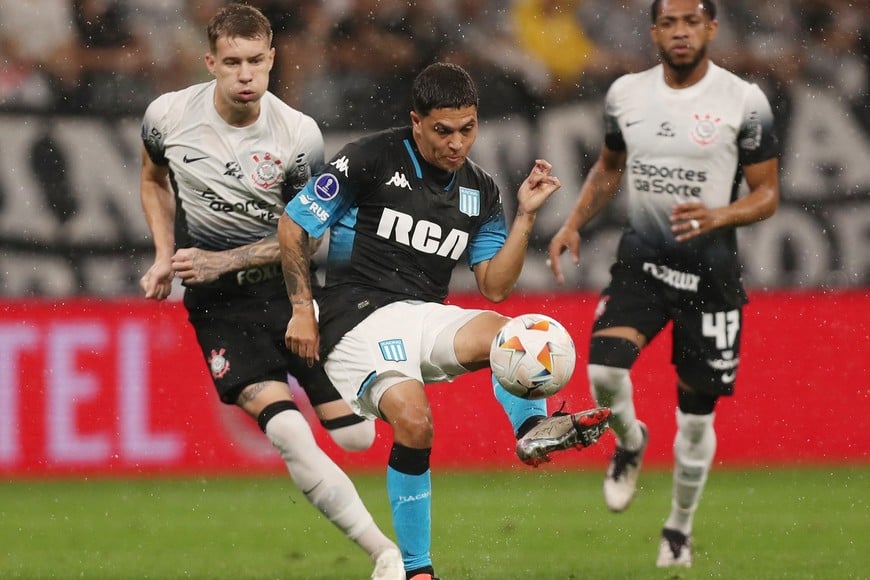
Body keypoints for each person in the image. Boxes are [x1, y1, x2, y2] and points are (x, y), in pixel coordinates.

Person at [278, 62, 612, 580]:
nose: (457, 144)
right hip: (354, 322)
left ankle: (531, 428)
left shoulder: (480, 189)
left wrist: (525, 217)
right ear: (416, 122)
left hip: (421, 315)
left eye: (468, 129)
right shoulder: (369, 159)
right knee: (415, 423)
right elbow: (293, 225)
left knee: (515, 332)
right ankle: (418, 570)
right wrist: (303, 307)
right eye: (442, 131)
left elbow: (494, 285)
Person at [137, 4, 403, 579]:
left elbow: (306, 235)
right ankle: (384, 553)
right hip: (220, 308)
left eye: (256, 60)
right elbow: (153, 179)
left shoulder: (297, 134)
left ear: (272, 58)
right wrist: (164, 255)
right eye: (231, 62)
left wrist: (222, 259)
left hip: (290, 295)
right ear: (210, 62)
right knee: (285, 428)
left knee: (357, 438)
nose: (245, 74)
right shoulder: (166, 116)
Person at [547, 0, 780, 568]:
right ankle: (629, 441)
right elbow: (608, 167)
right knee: (603, 370)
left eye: (691, 22)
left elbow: (768, 193)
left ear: (711, 29)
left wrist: (720, 215)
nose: (680, 32)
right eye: (670, 23)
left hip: (711, 278)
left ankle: (678, 525)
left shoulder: (744, 101)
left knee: (696, 420)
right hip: (644, 263)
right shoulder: (626, 94)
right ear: (654, 32)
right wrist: (574, 222)